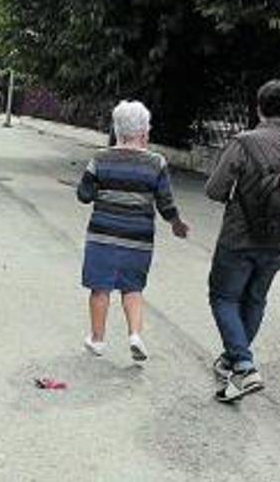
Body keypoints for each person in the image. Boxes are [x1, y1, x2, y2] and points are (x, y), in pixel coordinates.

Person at [205, 78, 280, 402]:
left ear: (259, 108)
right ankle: (232, 361)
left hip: (239, 235)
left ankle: (243, 364)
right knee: (255, 298)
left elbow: (214, 189)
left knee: (224, 297)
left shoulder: (244, 143)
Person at [77, 100, 189, 362]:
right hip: (138, 239)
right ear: (144, 132)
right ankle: (135, 335)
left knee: (100, 288)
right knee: (133, 288)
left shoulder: (100, 158)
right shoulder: (156, 163)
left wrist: (98, 188)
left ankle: (97, 339)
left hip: (102, 237)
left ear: (116, 130)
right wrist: (176, 223)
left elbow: (84, 195)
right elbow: (165, 202)